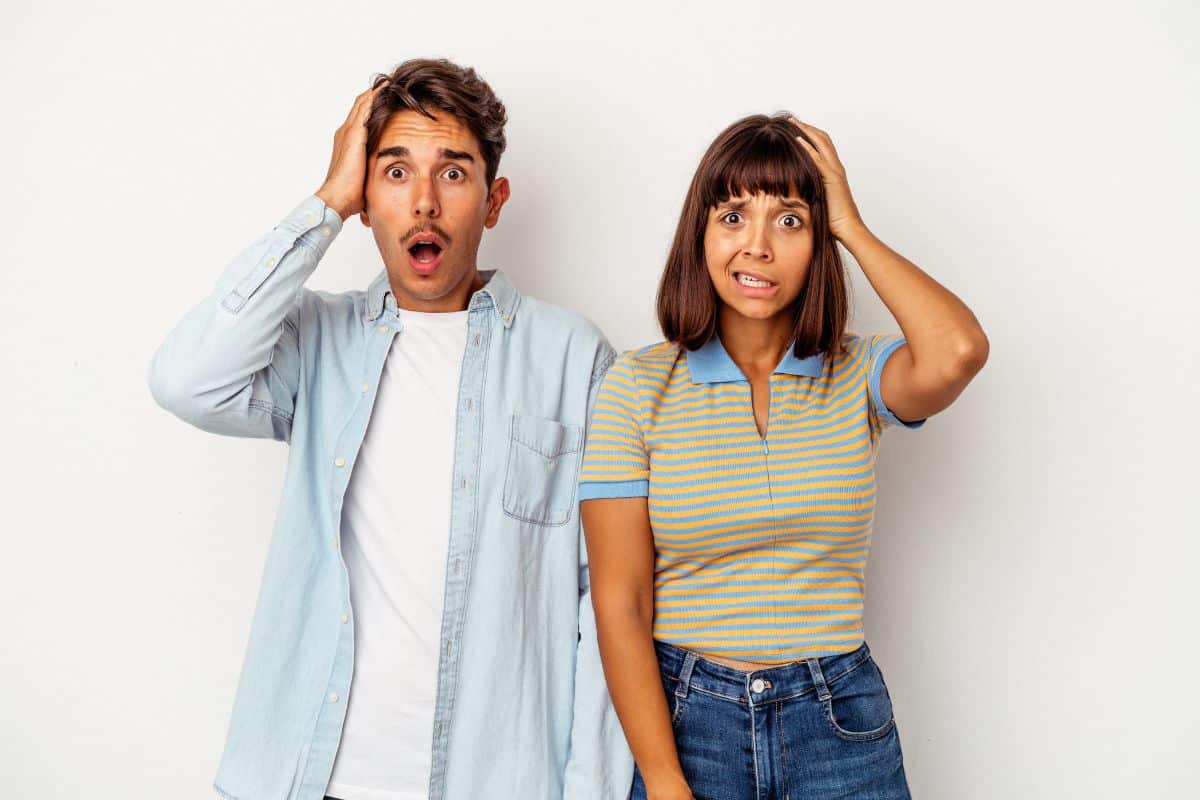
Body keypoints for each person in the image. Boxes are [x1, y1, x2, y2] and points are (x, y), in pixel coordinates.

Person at [148, 58, 632, 800]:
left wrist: (592, 790)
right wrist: (326, 204)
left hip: (497, 782)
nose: (426, 204)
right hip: (319, 778)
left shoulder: (572, 357)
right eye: (396, 172)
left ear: (495, 200)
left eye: (454, 173)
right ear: (369, 200)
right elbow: (187, 381)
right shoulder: (315, 340)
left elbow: (605, 601)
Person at [577, 113, 988, 799]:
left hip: (838, 720)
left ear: (818, 238)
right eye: (733, 216)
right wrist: (664, 780)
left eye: (790, 220)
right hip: (689, 722)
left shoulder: (858, 371)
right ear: (700, 233)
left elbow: (959, 351)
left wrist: (850, 225)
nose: (758, 246)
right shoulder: (636, 384)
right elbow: (621, 601)